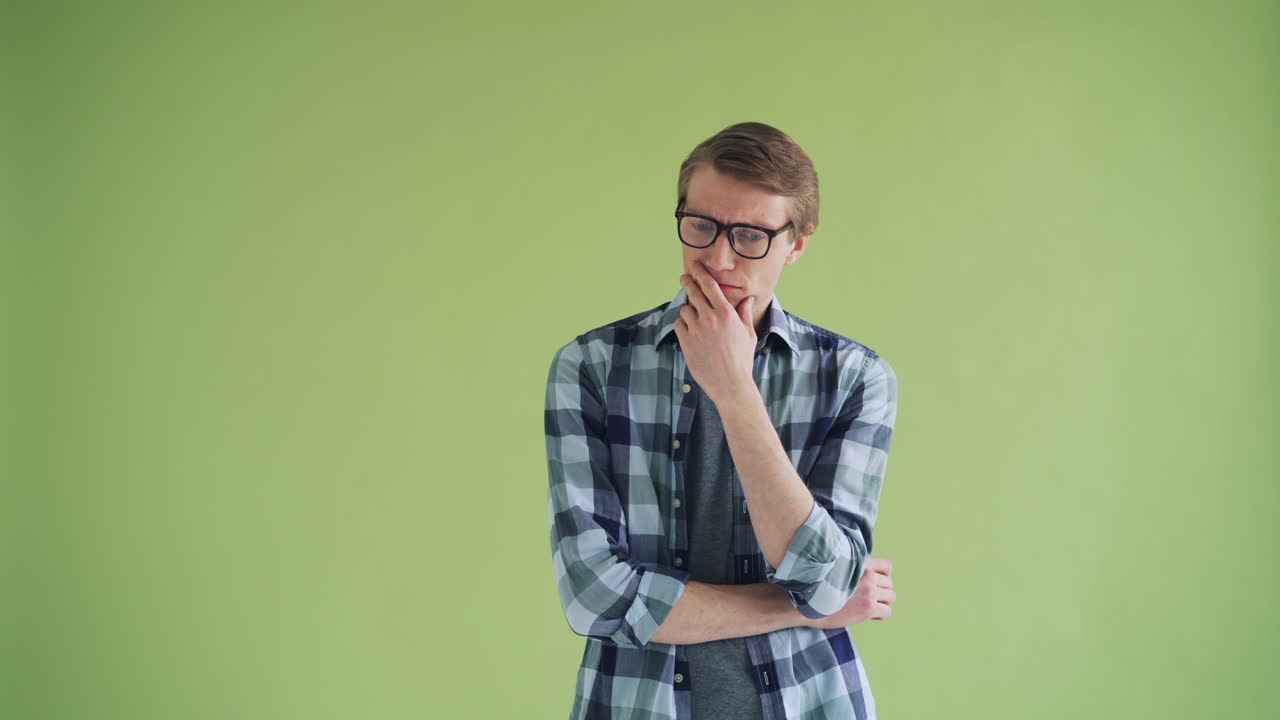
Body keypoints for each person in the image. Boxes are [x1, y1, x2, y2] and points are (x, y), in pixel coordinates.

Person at [544, 121, 899, 720]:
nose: (719, 255)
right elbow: (595, 597)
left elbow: (828, 582)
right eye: (702, 225)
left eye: (751, 235)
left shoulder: (855, 378)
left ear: (797, 243)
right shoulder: (593, 367)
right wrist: (794, 605)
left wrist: (734, 389)